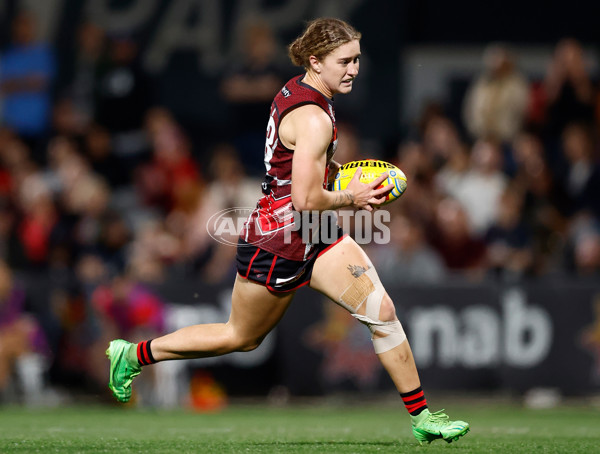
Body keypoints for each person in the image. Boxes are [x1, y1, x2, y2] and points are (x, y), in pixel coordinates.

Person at [106, 18, 469, 445]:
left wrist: (335, 176)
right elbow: (305, 199)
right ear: (316, 61)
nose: (353, 69)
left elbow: (293, 170)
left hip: (313, 232)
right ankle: (131, 355)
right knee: (240, 337)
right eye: (345, 61)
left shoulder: (301, 90)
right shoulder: (314, 116)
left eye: (357, 60)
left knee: (382, 312)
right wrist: (354, 197)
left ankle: (422, 416)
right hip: (278, 240)